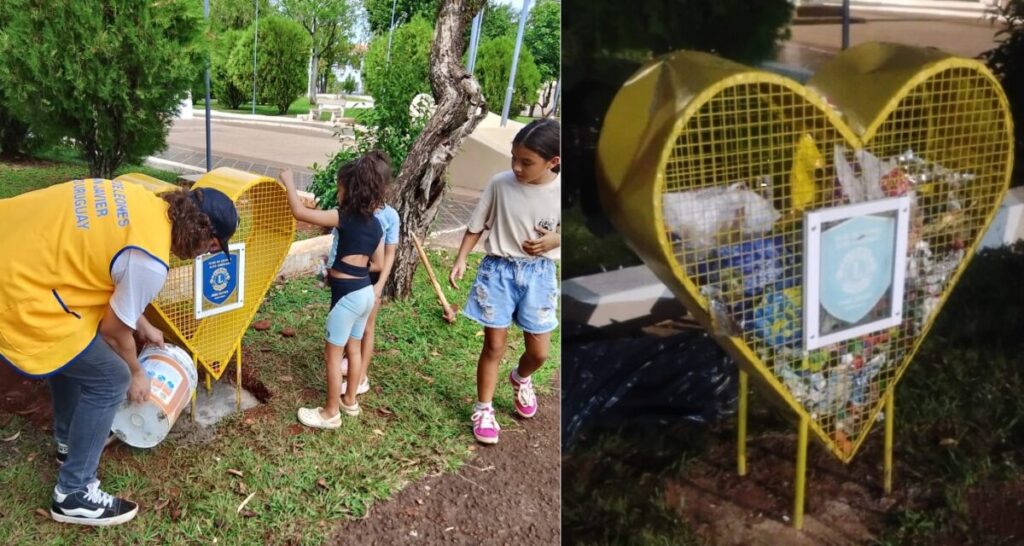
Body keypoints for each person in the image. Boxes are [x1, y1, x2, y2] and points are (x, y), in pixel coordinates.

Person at [0, 178, 238, 526]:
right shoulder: (151, 260)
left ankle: (69, 442)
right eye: (214, 248)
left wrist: (142, 324)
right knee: (112, 378)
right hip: (18, 284)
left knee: (70, 351)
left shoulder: (145, 204)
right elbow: (113, 330)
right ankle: (74, 493)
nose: (208, 254)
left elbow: (108, 264)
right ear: (206, 235)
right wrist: (136, 373)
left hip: (16, 240)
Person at [448, 119, 561, 445]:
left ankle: (520, 378)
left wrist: (555, 240)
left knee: (539, 353)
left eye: (527, 162)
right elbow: (476, 225)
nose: (517, 167)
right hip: (497, 272)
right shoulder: (500, 184)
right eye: (514, 158)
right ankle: (484, 408)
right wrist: (461, 259)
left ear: (553, 161)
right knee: (493, 346)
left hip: (539, 276)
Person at [279, 153, 385, 429]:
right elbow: (379, 263)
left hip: (347, 296)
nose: (338, 194)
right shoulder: (376, 224)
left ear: (349, 191)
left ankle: (330, 412)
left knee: (333, 355)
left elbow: (301, 213)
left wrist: (289, 182)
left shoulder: (343, 217)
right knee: (355, 348)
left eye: (339, 189)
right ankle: (350, 400)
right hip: (365, 294)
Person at [324, 151, 400, 396]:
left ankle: (360, 378)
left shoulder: (387, 217)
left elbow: (387, 255)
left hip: (368, 280)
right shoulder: (353, 211)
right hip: (351, 278)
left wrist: (379, 286)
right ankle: (351, 369)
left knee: (366, 328)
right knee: (349, 328)